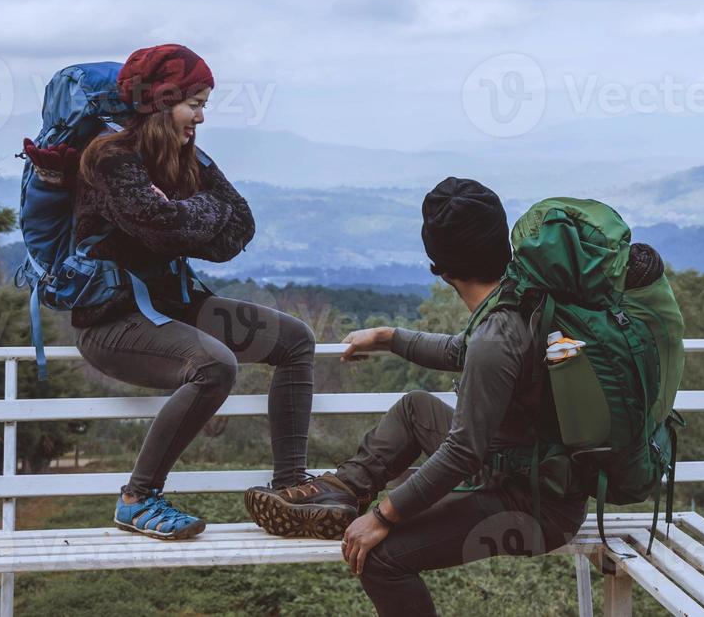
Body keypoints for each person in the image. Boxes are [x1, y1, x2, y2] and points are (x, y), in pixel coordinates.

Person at [243, 177, 670, 615]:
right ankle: (342, 491)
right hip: (528, 476)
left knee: (382, 559)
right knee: (415, 408)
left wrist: (384, 516)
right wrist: (390, 337)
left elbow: (463, 451)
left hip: (533, 509)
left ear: (441, 267)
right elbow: (461, 351)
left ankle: (353, 503)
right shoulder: (522, 294)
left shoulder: (496, 334)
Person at [58, 44, 315, 540]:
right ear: (158, 102)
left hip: (175, 307)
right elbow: (161, 230)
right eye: (194, 104)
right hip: (114, 323)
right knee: (215, 365)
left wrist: (186, 212)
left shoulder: (185, 157)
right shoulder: (110, 159)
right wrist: (196, 213)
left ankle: (290, 484)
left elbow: (240, 227)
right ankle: (137, 498)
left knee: (295, 340)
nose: (200, 117)